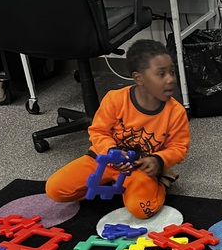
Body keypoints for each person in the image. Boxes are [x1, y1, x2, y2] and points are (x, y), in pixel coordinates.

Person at [45, 39, 190, 220]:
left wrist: (158, 161)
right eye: (161, 74)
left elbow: (179, 148)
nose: (170, 79)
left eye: (172, 72)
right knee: (55, 189)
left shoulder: (176, 112)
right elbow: (98, 132)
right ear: (139, 78)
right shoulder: (115, 99)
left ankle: (161, 182)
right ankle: (112, 184)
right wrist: (111, 151)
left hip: (141, 167)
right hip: (104, 160)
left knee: (142, 210)